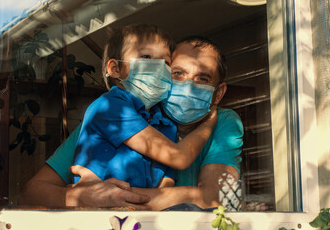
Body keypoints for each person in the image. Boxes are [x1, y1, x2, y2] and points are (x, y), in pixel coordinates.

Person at [18, 35, 243, 210]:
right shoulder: (121, 115)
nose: (188, 85)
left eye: (202, 78)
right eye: (178, 74)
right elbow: (30, 194)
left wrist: (112, 198)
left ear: (219, 93)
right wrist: (81, 197)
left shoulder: (222, 121)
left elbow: (214, 199)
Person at [71, 24, 217, 189]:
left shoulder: (163, 122)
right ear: (115, 68)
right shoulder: (111, 107)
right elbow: (178, 157)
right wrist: (209, 123)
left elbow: (165, 187)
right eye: (146, 57)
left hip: (138, 212)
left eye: (166, 62)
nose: (159, 67)